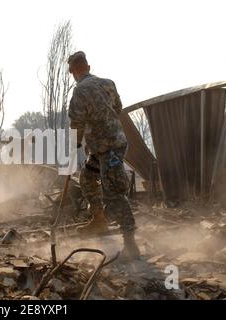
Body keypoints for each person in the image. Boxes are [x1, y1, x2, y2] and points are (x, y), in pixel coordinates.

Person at [67, 51, 140, 260]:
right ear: (88, 67)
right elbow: (118, 108)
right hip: (106, 146)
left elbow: (76, 123)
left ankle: (131, 244)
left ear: (73, 72)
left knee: (114, 193)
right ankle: (99, 220)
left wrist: (74, 146)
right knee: (87, 178)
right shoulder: (108, 83)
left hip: (109, 149)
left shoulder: (79, 91)